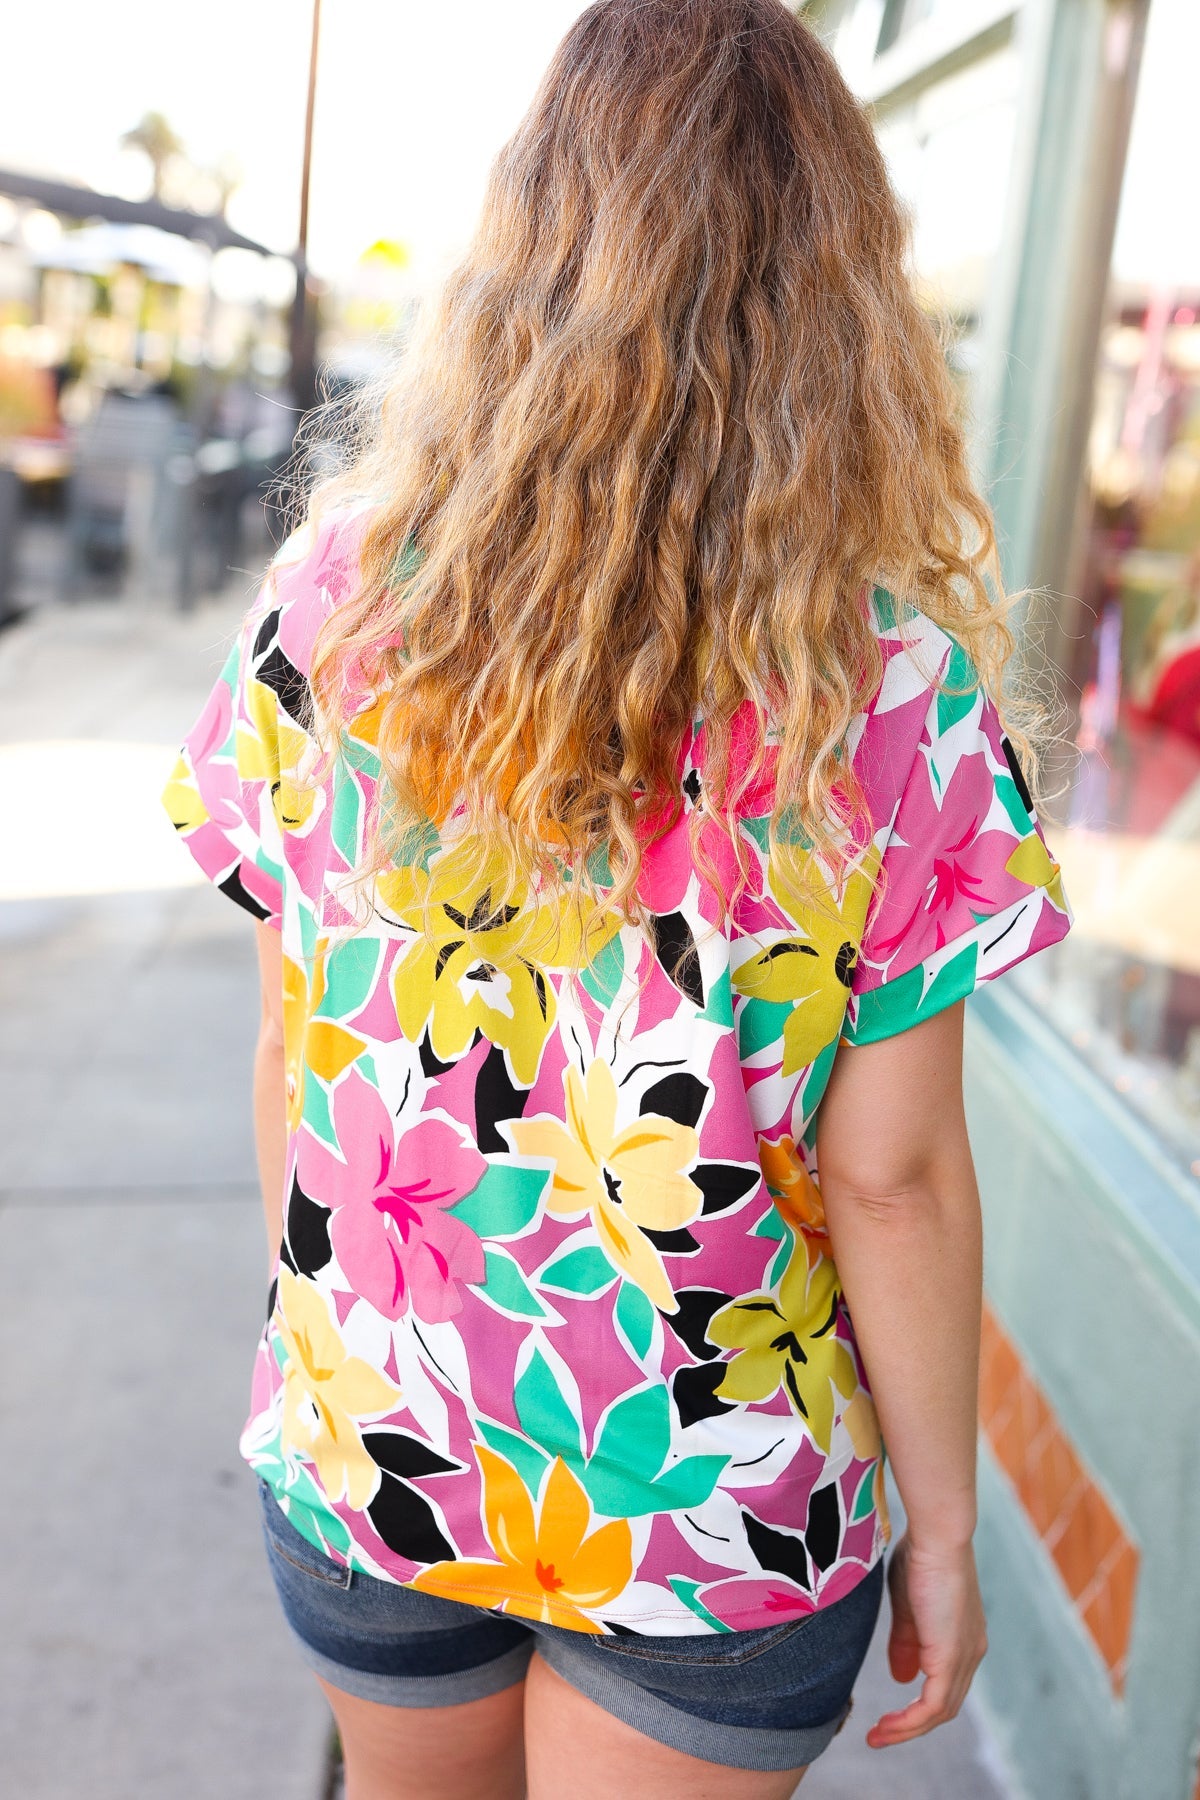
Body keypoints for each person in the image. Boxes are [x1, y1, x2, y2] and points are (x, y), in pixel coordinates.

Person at [161, 3, 1071, 1795]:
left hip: (383, 1441)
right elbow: (890, 1181)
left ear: (525, 251)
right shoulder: (894, 701)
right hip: (717, 1516)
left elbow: (295, 1044)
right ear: (844, 301)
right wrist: (947, 1537)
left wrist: (332, 1356)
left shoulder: (339, 611)